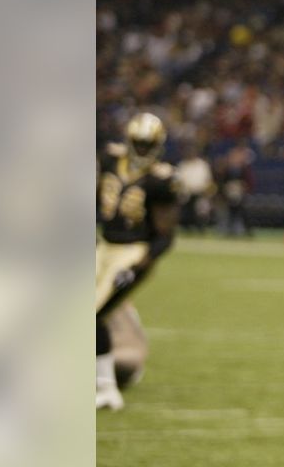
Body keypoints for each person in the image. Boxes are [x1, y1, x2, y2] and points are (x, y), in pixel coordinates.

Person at [96, 112, 178, 410]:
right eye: (138, 143)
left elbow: (165, 235)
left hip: (131, 251)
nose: (142, 149)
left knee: (94, 314)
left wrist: (138, 266)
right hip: (105, 246)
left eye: (148, 144)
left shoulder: (161, 181)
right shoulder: (109, 160)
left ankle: (107, 389)